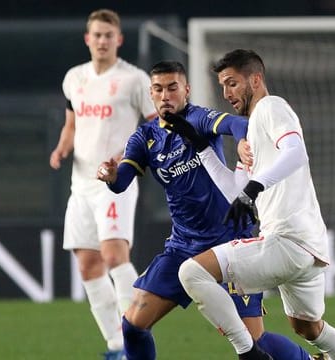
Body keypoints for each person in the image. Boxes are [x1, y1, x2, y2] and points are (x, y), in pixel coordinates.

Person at [96, 60, 315, 360]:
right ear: (151, 93)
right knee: (133, 325)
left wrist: (241, 142)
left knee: (256, 341)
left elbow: (239, 124)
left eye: (173, 88)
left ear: (186, 90)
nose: (166, 96)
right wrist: (110, 177)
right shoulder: (145, 138)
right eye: (158, 89)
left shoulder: (198, 118)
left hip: (229, 244)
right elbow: (120, 183)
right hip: (182, 247)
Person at [171, 49, 335, 360]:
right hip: (307, 248)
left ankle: (249, 353)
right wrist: (201, 146)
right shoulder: (254, 133)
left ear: (255, 79)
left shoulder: (271, 108)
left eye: (232, 83)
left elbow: (296, 152)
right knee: (308, 328)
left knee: (192, 273)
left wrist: (254, 186)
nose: (226, 93)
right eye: (222, 85)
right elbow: (235, 191)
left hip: (286, 240)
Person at [49, 9, 157, 360]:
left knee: (113, 255)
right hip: (80, 183)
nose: (102, 40)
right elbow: (71, 124)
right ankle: (117, 346)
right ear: (87, 39)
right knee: (88, 265)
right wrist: (62, 149)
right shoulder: (74, 78)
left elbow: (155, 125)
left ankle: (135, 333)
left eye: (108, 35)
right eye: (96, 34)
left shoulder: (134, 79)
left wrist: (130, 157)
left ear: (118, 40)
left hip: (115, 182)